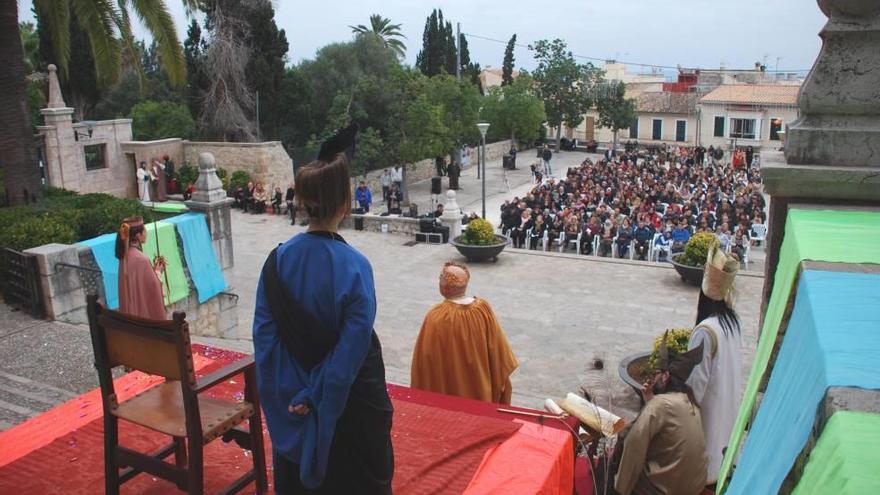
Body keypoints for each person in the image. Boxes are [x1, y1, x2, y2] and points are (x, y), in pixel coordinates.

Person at [253, 125, 394, 492]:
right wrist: (315, 396)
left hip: (292, 404)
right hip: (351, 411)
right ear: (346, 205)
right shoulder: (355, 267)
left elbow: (265, 343)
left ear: (302, 201)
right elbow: (350, 353)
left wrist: (292, 395)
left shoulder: (276, 262)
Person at [612, 333, 708, 495]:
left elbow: (633, 443)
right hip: (695, 485)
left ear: (665, 376)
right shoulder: (689, 402)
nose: (652, 378)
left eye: (656, 374)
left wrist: (620, 489)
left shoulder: (661, 404)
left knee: (624, 441)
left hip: (668, 489)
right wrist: (649, 399)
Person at [410, 261, 518, 403]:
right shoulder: (483, 309)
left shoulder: (436, 316)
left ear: (444, 286)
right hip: (480, 387)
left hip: (448, 391)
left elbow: (425, 362)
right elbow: (499, 350)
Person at [686, 245, 742, 487]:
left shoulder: (705, 331)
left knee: (705, 469)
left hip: (709, 414)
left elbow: (695, 387)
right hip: (728, 404)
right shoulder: (732, 323)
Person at [115, 216, 166, 320]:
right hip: (141, 317)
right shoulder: (141, 259)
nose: (146, 234)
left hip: (128, 314)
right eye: (145, 231)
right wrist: (158, 270)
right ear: (138, 235)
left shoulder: (124, 255)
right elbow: (154, 287)